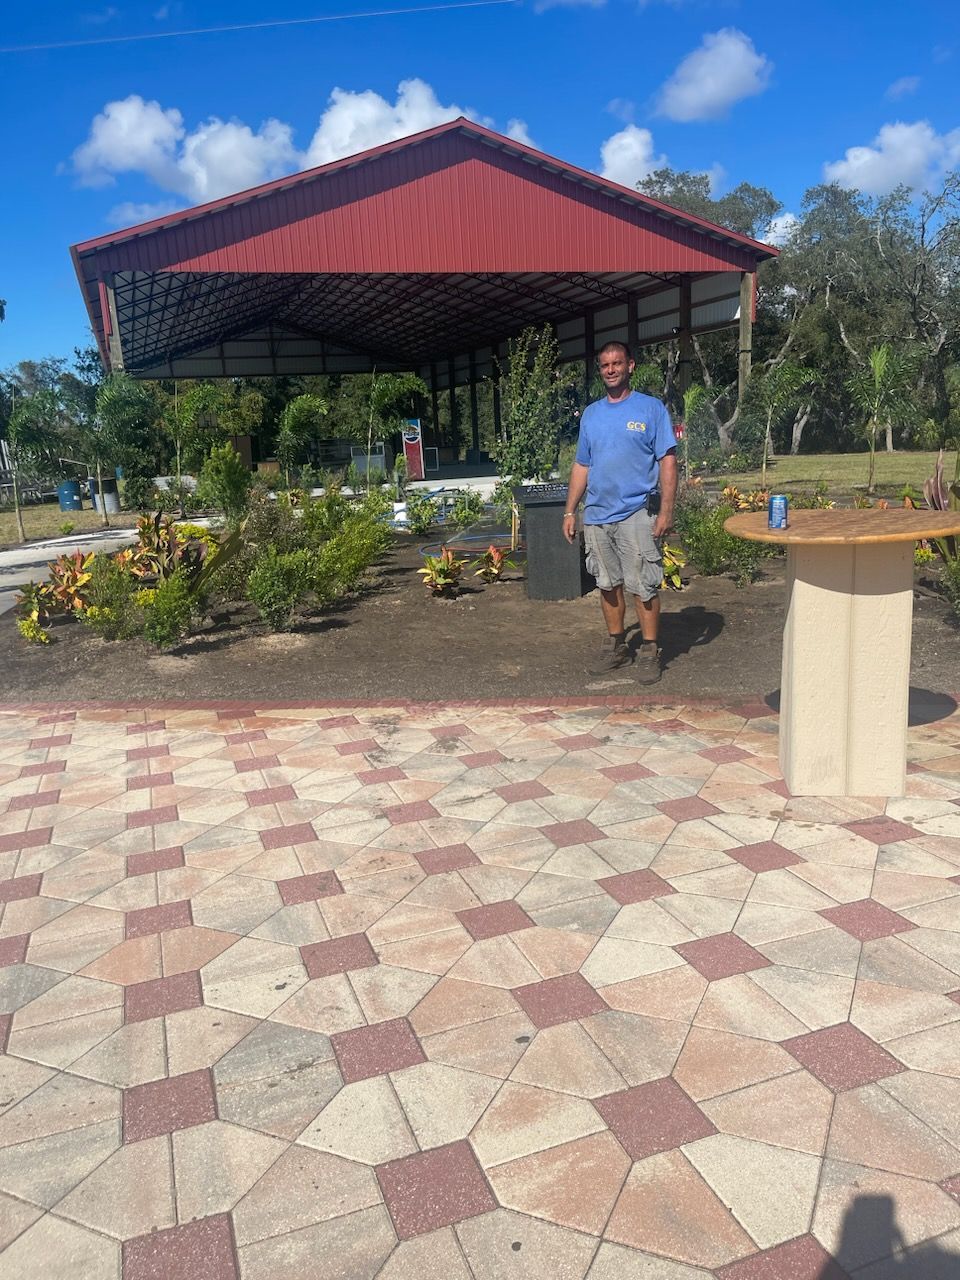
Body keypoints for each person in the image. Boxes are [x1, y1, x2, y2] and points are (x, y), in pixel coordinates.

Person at [562, 341, 678, 683]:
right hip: (598, 515)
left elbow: (667, 461)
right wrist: (570, 511)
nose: (610, 370)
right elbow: (582, 464)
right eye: (604, 365)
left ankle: (649, 648)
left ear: (631, 366)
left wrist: (666, 511)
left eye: (616, 363)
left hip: (636, 513)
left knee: (643, 584)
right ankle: (616, 646)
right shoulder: (592, 414)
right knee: (607, 583)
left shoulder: (651, 409)